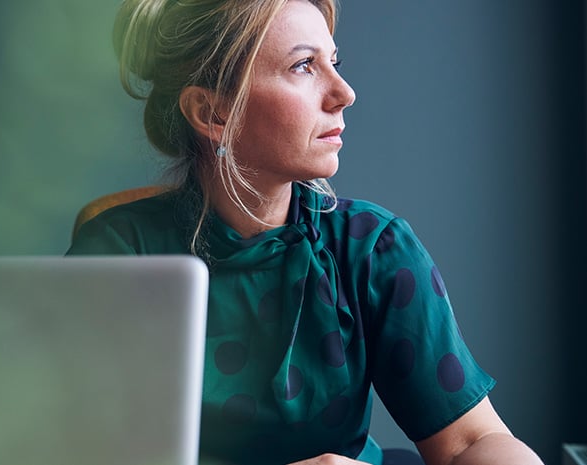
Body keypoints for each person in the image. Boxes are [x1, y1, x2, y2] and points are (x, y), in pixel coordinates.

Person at [67, 0, 544, 464]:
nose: (344, 92)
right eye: (303, 66)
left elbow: (469, 442)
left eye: (333, 61)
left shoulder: (373, 249)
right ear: (212, 113)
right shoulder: (119, 256)